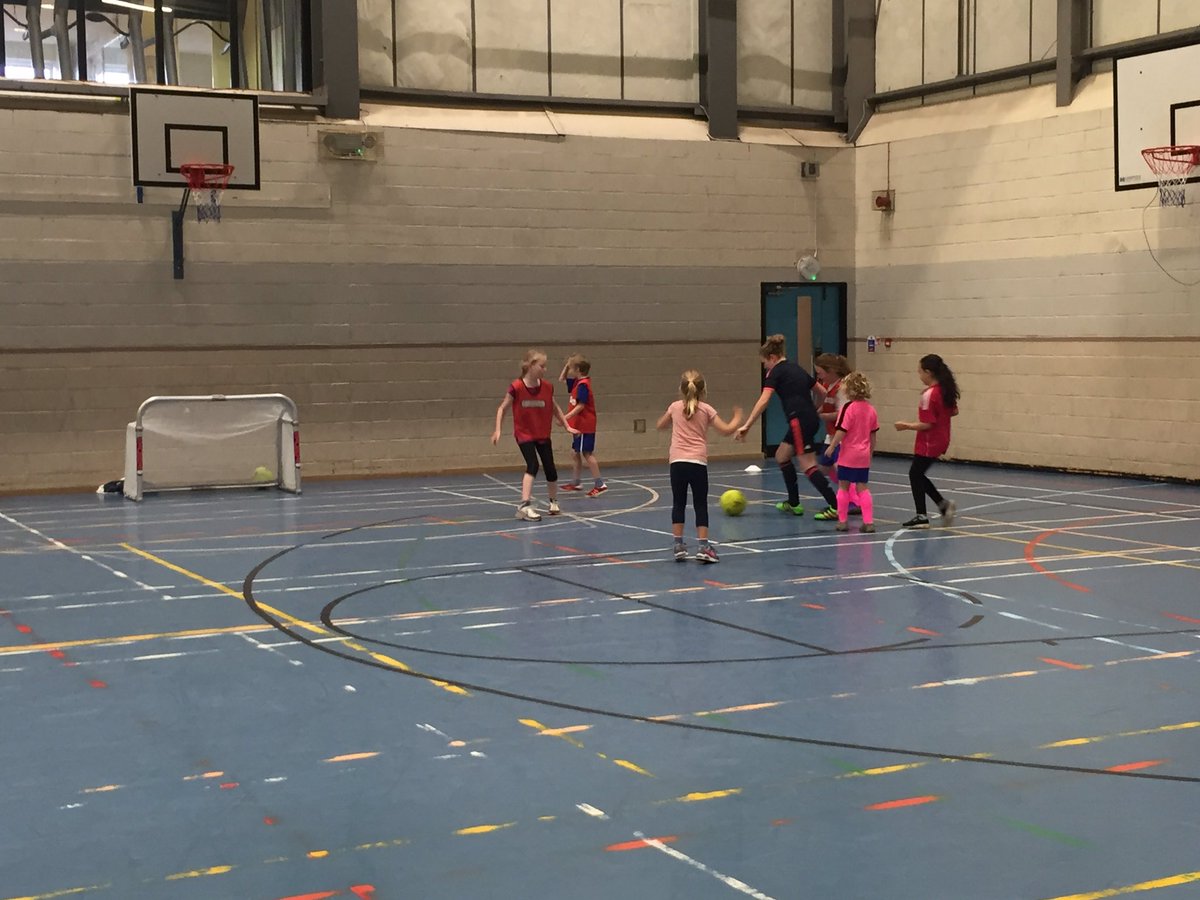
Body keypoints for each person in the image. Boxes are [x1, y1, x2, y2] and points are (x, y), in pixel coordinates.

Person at [734, 334, 840, 520]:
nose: (765, 366)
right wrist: (813, 409)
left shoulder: (775, 372)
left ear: (772, 358)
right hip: (807, 419)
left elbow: (764, 400)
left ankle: (835, 505)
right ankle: (793, 503)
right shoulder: (796, 368)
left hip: (798, 421)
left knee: (807, 465)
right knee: (781, 456)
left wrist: (747, 425)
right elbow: (822, 392)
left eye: (765, 362)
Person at [656, 370, 743, 563]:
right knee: (700, 504)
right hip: (697, 462)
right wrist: (737, 417)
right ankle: (703, 546)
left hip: (677, 462)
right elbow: (726, 430)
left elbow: (660, 425)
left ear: (681, 389)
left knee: (678, 502)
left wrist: (669, 419)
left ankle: (678, 545)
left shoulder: (674, 407)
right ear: (703, 391)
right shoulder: (706, 410)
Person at [491, 349, 578, 521]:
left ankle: (553, 502)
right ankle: (524, 504)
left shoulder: (547, 387)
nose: (545, 369)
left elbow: (555, 408)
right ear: (531, 366)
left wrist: (567, 425)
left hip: (542, 434)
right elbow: (502, 408)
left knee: (550, 468)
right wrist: (498, 429)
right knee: (533, 465)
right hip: (524, 434)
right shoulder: (517, 387)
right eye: (542, 366)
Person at [894, 353, 960, 529]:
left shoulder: (929, 395)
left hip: (930, 440)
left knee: (915, 474)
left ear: (928, 372)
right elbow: (954, 412)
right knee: (918, 474)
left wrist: (905, 425)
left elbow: (927, 424)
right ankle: (943, 505)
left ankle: (921, 516)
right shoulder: (945, 390)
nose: (919, 375)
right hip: (942, 438)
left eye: (920, 372)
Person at [821, 371, 878, 534]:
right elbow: (873, 434)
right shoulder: (870, 409)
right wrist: (871, 451)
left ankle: (842, 521)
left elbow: (841, 430)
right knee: (863, 488)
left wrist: (832, 446)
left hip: (848, 454)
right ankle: (868, 522)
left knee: (843, 486)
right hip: (863, 454)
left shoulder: (848, 408)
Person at [813, 352, 857, 514]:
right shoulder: (827, 386)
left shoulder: (843, 388)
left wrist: (824, 416)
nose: (819, 376)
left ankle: (853, 500)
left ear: (831, 371)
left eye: (820, 373)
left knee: (841, 468)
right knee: (825, 468)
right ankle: (847, 495)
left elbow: (845, 414)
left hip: (843, 435)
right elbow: (825, 405)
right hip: (830, 434)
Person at [557, 354, 607, 496]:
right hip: (578, 425)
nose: (570, 370)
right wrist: (567, 365)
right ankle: (576, 482)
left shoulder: (583, 385)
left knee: (587, 453)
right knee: (575, 453)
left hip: (585, 425)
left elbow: (580, 406)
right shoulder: (578, 383)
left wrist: (564, 418)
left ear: (578, 369)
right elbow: (561, 379)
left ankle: (600, 484)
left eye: (572, 367)